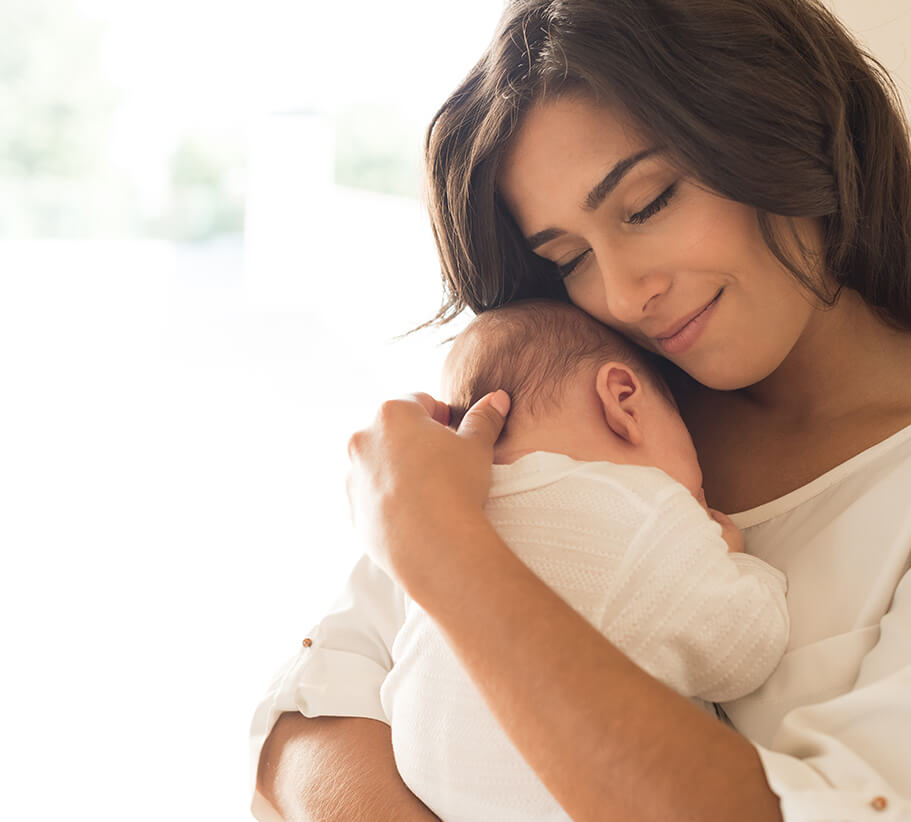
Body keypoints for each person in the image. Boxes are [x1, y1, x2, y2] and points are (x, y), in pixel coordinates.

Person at [252, 2, 911, 820]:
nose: (625, 295)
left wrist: (446, 553)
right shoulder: (576, 411)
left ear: (784, 125)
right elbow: (306, 728)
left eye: (647, 204)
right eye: (568, 257)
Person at [380, 299, 790, 822]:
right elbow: (743, 650)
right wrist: (738, 562)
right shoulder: (641, 510)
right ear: (624, 401)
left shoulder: (442, 517)